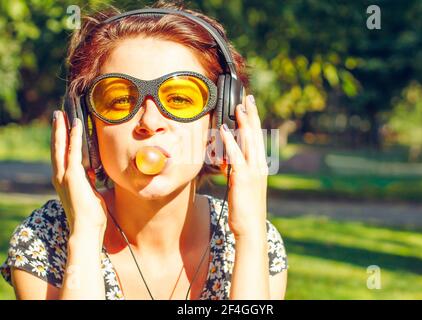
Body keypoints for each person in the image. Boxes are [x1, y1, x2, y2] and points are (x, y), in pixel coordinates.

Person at [0, 1, 288, 300]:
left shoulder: (256, 240)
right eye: (120, 100)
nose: (150, 122)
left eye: (179, 99)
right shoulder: (45, 239)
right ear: (86, 125)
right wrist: (84, 232)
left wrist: (251, 232)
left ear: (221, 118)